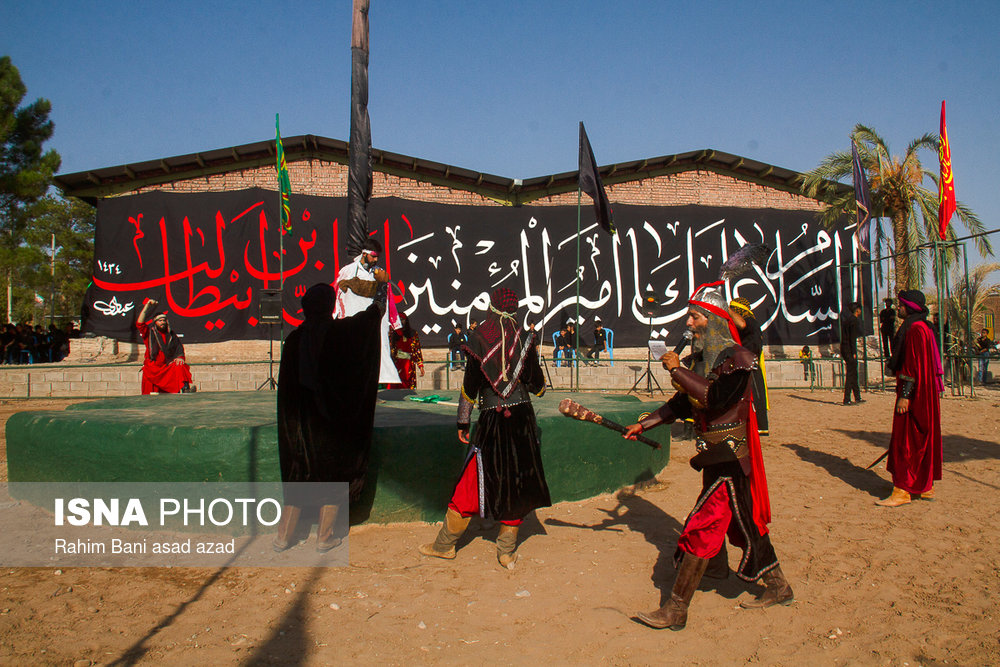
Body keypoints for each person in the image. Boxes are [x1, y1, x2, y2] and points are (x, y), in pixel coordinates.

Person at [622, 282, 792, 630]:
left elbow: (715, 398)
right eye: (689, 316)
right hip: (715, 455)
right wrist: (646, 424)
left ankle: (676, 608)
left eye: (695, 317)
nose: (689, 323)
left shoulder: (740, 360)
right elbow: (683, 402)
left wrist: (675, 370)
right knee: (744, 522)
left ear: (713, 321)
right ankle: (773, 584)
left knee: (703, 525)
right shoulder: (703, 360)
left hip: (730, 455)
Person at [419, 287, 550, 569]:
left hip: (491, 418)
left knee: (474, 478)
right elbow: (538, 388)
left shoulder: (479, 338)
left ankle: (444, 545)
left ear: (491, 307)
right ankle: (506, 551)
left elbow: (470, 387)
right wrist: (531, 352)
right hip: (523, 419)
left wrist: (463, 420)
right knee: (516, 479)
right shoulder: (525, 340)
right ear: (515, 310)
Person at [274, 280, 387, 551]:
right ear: (328, 306)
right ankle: (324, 538)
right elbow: (368, 321)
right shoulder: (340, 334)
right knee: (334, 476)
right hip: (330, 424)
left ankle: (283, 538)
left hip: (300, 425)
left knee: (298, 478)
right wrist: (381, 297)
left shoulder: (293, 341)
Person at [876, 290, 944, 507]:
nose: (899, 309)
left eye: (902, 305)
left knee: (906, 439)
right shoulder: (924, 327)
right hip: (925, 393)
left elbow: (912, 366)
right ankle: (925, 486)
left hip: (914, 394)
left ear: (910, 307)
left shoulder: (914, 329)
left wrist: (905, 395)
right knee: (922, 438)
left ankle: (903, 489)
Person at [333, 238, 401, 385]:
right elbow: (336, 293)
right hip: (352, 320)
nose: (376, 259)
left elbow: (387, 298)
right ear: (364, 254)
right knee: (352, 356)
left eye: (377, 257)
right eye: (373, 256)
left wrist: (393, 322)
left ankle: (371, 393)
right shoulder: (348, 271)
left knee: (375, 354)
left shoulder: (379, 274)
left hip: (374, 323)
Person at [729, 297, 769, 435]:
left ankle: (760, 427)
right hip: (744, 363)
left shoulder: (750, 322)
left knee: (755, 396)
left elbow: (751, 342)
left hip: (750, 364)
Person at [136, 299, 193, 394]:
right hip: (153, 368)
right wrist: (147, 306)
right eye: (160, 321)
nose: (162, 322)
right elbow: (140, 323)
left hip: (166, 366)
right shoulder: (149, 333)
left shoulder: (171, 335)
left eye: (164, 320)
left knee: (180, 365)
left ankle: (185, 387)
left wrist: (180, 357)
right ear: (155, 322)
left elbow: (179, 348)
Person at [388, 314, 425, 390]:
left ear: (406, 321)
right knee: (395, 385)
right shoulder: (392, 333)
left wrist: (420, 365)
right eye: (399, 319)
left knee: (407, 384)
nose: (401, 321)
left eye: (403, 319)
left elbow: (417, 349)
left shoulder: (413, 333)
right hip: (396, 363)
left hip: (408, 363)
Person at [840, 302, 863, 405]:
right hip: (849, 350)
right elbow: (852, 338)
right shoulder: (853, 321)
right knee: (851, 374)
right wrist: (854, 352)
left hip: (845, 349)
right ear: (857, 310)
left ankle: (857, 397)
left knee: (854, 373)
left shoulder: (847, 320)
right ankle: (847, 399)